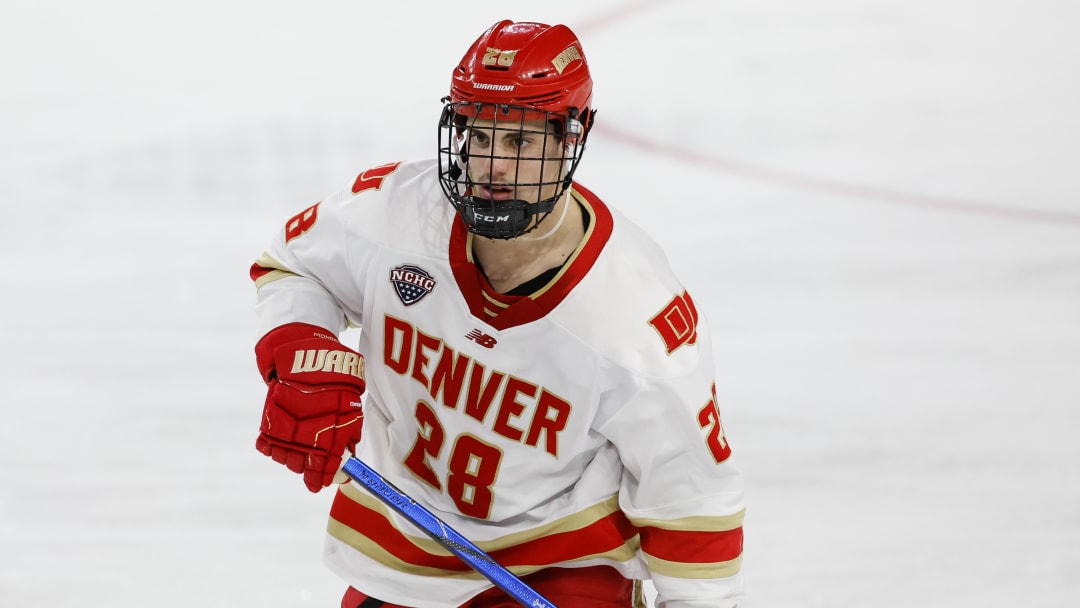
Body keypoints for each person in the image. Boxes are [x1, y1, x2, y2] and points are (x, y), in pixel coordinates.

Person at [249, 19, 745, 608]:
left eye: (519, 143)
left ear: (571, 137)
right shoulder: (395, 213)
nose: (492, 167)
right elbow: (292, 265)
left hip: (559, 568)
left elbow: (690, 500)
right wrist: (301, 353)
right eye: (479, 137)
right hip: (404, 557)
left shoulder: (635, 313)